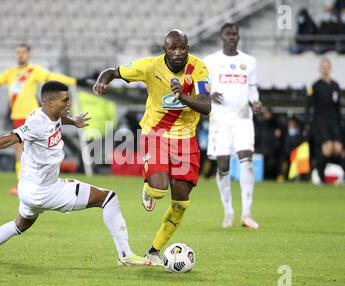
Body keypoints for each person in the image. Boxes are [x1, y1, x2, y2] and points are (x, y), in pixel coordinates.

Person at [0, 81, 151, 267]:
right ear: (50, 102)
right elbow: (9, 138)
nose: (69, 103)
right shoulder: (37, 123)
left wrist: (74, 121)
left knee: (19, 225)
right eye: (66, 100)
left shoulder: (48, 115)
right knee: (109, 198)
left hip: (27, 189)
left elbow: (58, 120)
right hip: (46, 190)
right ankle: (126, 256)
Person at [93, 30, 211, 265]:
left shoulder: (198, 68)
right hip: (156, 132)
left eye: (183, 48)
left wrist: (184, 98)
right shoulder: (149, 66)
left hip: (186, 138)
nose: (178, 53)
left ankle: (154, 251)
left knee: (180, 203)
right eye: (173, 48)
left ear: (187, 47)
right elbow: (112, 72)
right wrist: (101, 82)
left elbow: (206, 106)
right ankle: (148, 188)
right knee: (158, 191)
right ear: (164, 49)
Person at [0, 44, 76, 195]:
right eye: (18, 52)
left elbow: (53, 77)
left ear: (29, 54)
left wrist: (75, 81)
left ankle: (28, 185)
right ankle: (24, 184)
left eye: (23, 52)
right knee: (20, 153)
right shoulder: (10, 73)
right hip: (17, 117)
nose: (20, 55)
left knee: (28, 153)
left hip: (32, 118)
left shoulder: (34, 71)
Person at [203, 23, 262, 229]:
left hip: (243, 118)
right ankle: (228, 211)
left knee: (246, 160)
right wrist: (208, 95)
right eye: (228, 34)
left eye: (235, 34)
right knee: (223, 165)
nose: (232, 37)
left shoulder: (249, 61)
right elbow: (199, 84)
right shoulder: (210, 61)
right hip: (219, 119)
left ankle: (246, 213)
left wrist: (256, 102)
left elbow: (252, 89)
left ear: (238, 36)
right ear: (222, 36)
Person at [306, 58, 343, 183]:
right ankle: (320, 175)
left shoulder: (335, 85)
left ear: (330, 68)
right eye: (323, 66)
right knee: (327, 148)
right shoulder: (315, 86)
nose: (325, 68)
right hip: (320, 121)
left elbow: (338, 107)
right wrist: (309, 124)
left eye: (327, 66)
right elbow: (308, 106)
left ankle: (339, 176)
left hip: (334, 122)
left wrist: (340, 123)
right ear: (320, 69)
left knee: (338, 148)